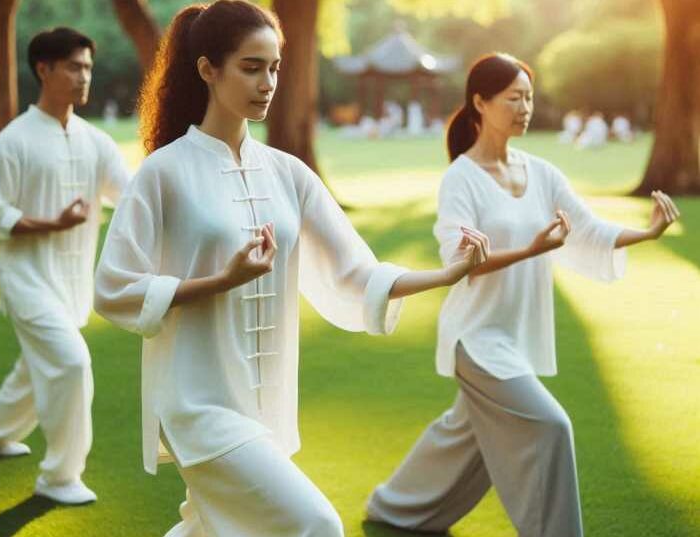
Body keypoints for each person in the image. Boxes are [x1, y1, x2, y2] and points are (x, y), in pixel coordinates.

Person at [92, 2, 489, 536]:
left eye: (275, 67)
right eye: (251, 67)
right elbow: (113, 288)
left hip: (264, 405)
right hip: (195, 401)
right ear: (208, 69)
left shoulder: (289, 174)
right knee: (317, 524)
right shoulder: (163, 174)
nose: (268, 82)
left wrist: (446, 274)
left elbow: (356, 273)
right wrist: (219, 282)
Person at [366, 53, 680, 537]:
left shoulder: (544, 173)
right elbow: (459, 261)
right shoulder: (461, 179)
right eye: (514, 98)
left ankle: (396, 508)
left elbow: (589, 230)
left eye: (529, 97)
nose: (525, 107)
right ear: (480, 102)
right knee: (551, 427)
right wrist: (530, 249)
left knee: (465, 438)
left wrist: (647, 233)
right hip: (475, 337)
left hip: (513, 337)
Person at [0, 27, 130, 504]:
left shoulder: (96, 141)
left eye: (88, 67)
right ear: (43, 69)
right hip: (26, 282)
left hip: (71, 287)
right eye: (74, 66)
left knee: (35, 369)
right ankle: (59, 477)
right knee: (69, 363)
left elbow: (132, 198)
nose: (84, 76)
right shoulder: (14, 141)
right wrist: (52, 224)